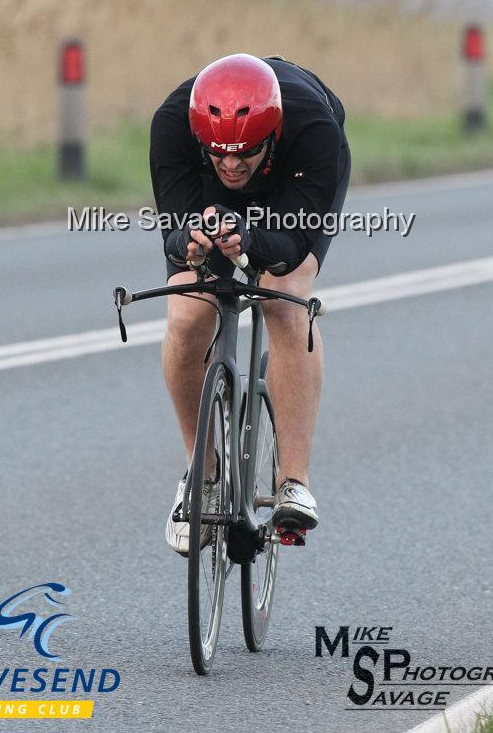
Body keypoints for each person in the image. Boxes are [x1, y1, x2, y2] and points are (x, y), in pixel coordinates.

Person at [149, 54, 351, 555]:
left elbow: (289, 248)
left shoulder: (314, 132)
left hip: (291, 189)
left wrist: (253, 243)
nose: (233, 165)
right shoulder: (173, 125)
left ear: (272, 135)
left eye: (245, 153)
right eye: (219, 154)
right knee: (188, 309)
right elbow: (175, 233)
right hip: (209, 198)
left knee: (284, 300)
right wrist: (191, 243)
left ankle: (294, 481)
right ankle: (204, 473)